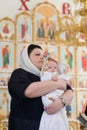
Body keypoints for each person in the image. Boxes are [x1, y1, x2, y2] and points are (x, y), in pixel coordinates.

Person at [8, 44, 74, 130]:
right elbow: (29, 91)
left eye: (44, 56)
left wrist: (61, 101)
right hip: (25, 125)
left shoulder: (47, 75)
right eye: (37, 54)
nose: (42, 57)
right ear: (27, 58)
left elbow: (70, 91)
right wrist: (58, 84)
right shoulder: (19, 73)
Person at [39, 57, 70, 130]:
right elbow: (45, 78)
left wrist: (65, 72)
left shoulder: (58, 75)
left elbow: (64, 79)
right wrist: (53, 77)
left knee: (61, 117)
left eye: (55, 67)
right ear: (45, 68)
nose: (53, 69)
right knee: (51, 114)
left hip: (58, 97)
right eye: (49, 67)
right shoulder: (45, 74)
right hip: (49, 96)